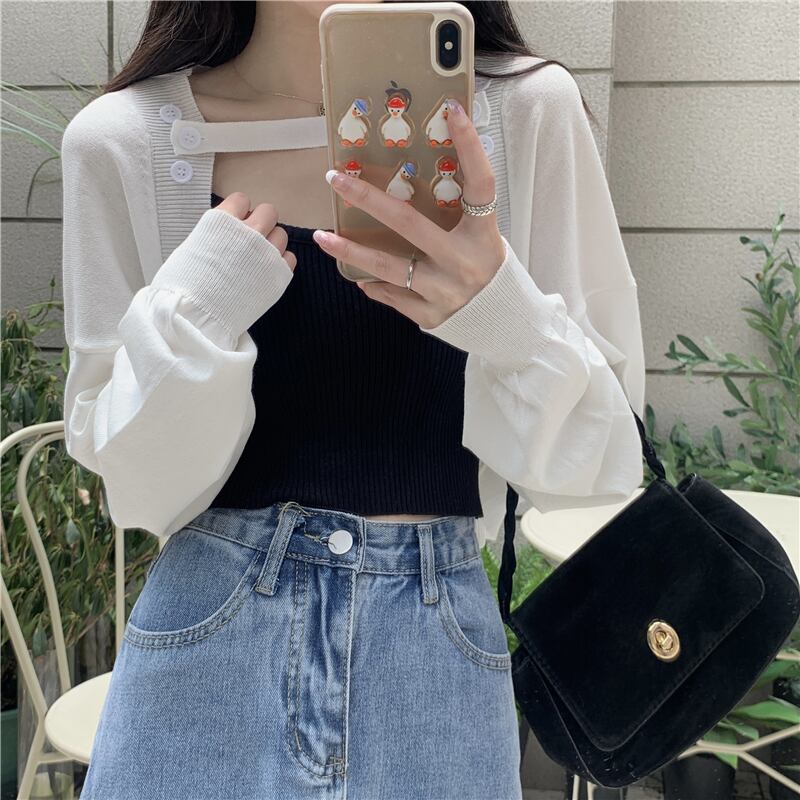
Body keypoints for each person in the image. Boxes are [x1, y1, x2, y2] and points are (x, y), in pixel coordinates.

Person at [62, 2, 646, 798]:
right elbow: (138, 491)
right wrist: (201, 306)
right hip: (204, 651)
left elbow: (600, 462)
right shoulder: (124, 140)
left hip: (432, 659)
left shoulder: (523, 112)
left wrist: (498, 309)